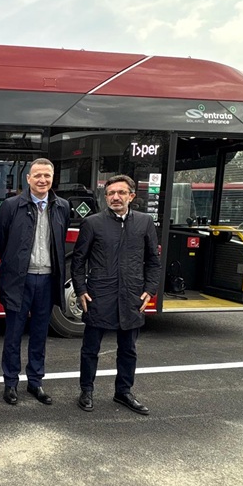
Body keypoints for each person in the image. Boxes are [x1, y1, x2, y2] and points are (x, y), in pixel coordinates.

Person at [72, 174, 161, 414]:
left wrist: (149, 290)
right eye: (111, 193)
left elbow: (153, 261)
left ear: (132, 196)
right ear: (105, 197)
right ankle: (86, 390)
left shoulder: (144, 222)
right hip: (99, 295)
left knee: (128, 349)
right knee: (90, 349)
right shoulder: (92, 223)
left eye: (121, 192)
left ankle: (123, 391)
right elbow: (78, 261)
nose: (115, 197)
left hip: (132, 296)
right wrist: (81, 290)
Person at [0, 158, 70, 406]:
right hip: (19, 279)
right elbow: (1, 242)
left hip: (47, 280)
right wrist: (16, 265)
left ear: (53, 178)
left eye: (47, 175)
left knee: (39, 334)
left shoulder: (62, 206)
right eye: (37, 175)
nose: (42, 180)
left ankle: (35, 382)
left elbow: (59, 241)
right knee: (13, 334)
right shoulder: (11, 206)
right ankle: (10, 383)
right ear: (28, 178)